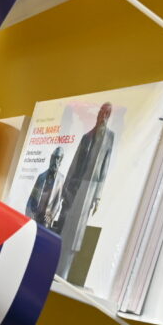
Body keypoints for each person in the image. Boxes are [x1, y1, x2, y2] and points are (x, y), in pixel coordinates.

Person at [56, 102, 115, 278]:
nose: (102, 116)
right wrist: (65, 187)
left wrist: (97, 196)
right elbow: (74, 163)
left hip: (90, 187)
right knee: (65, 222)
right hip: (75, 185)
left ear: (109, 116)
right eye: (101, 112)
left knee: (77, 231)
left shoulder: (110, 137)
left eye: (106, 113)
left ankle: (65, 271)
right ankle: (56, 265)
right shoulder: (86, 137)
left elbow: (104, 167)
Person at [25, 147, 64, 226]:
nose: (55, 161)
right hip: (34, 216)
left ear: (60, 162)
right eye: (53, 157)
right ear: (50, 158)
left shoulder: (61, 179)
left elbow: (57, 202)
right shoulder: (41, 177)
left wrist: (51, 216)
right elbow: (31, 198)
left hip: (46, 220)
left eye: (58, 158)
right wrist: (29, 214)